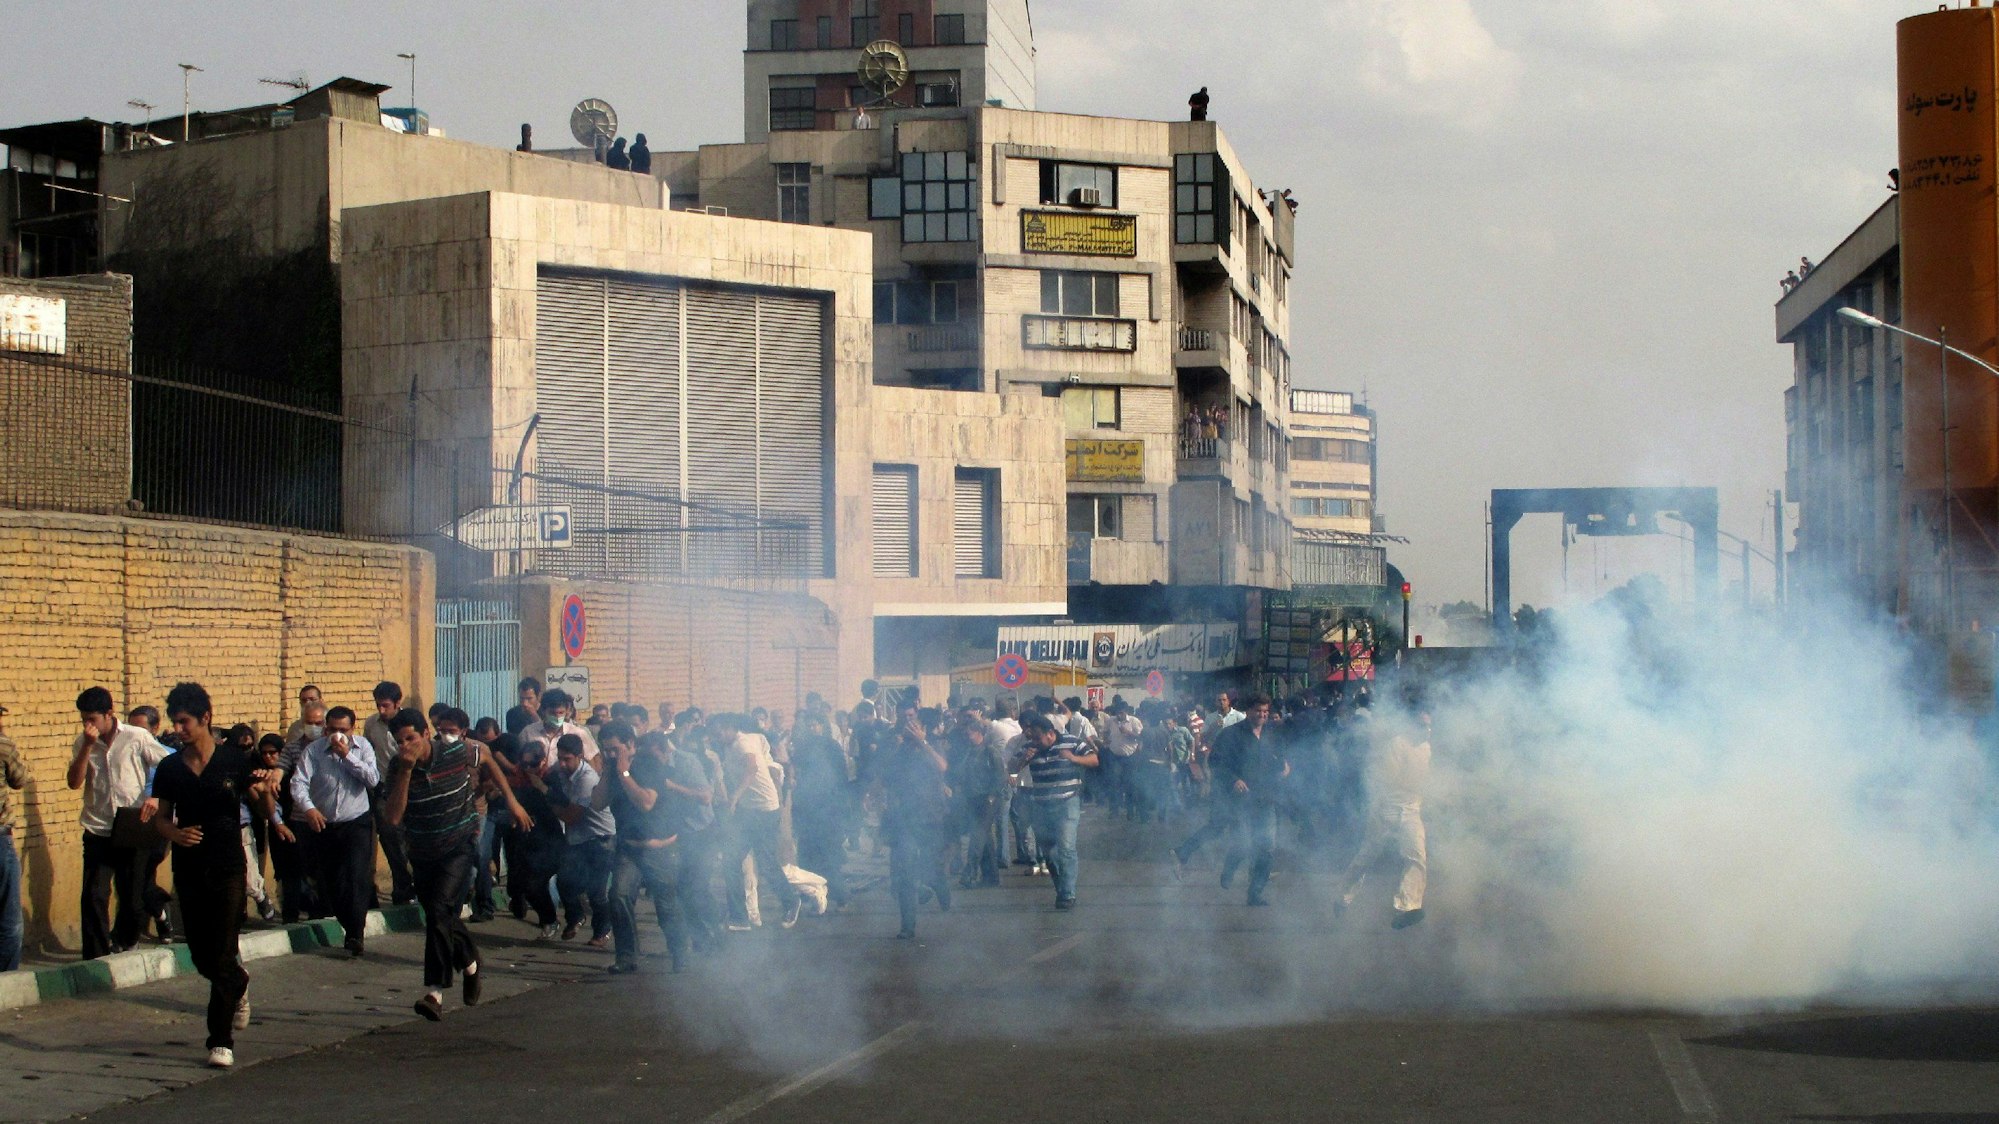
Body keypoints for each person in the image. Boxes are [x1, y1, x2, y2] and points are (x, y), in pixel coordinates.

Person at [150, 682, 281, 1069]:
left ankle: (220, 1040)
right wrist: (175, 833)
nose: (179, 729)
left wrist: (267, 786)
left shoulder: (234, 762)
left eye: (185, 721)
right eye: (175, 722)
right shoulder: (170, 767)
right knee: (200, 954)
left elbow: (261, 808)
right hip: (188, 869)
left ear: (205, 718)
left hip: (228, 866)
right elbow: (161, 818)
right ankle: (238, 983)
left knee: (224, 947)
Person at [383, 707, 530, 1021]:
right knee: (442, 916)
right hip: (422, 850)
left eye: (411, 738)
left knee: (439, 910)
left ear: (426, 734)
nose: (406, 745)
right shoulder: (398, 767)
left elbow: (488, 756)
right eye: (400, 741)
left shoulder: (457, 750)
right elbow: (394, 816)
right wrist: (407, 773)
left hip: (458, 844)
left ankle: (435, 992)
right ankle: (471, 964)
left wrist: (513, 802)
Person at [68, 687, 171, 958]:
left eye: (93, 719)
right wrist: (87, 747)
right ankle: (96, 956)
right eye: (84, 720)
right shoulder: (83, 743)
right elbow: (74, 782)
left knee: (132, 898)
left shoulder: (136, 737)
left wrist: (157, 797)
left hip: (132, 824)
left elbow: (169, 766)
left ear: (109, 714)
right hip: (97, 826)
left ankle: (124, 940)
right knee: (94, 895)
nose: (88, 725)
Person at [599, 725, 707, 973]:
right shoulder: (613, 771)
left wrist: (624, 774)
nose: (612, 755)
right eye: (607, 751)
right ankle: (627, 957)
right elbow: (597, 803)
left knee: (666, 905)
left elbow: (646, 802)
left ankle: (680, 952)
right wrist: (608, 773)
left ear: (631, 745)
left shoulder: (651, 767)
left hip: (662, 851)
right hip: (630, 850)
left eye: (615, 749)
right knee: (618, 896)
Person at [290, 706, 380, 955]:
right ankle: (347, 923)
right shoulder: (314, 751)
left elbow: (372, 779)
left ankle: (355, 933)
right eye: (333, 730)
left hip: (356, 821)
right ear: (325, 729)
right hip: (325, 823)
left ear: (352, 729)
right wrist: (308, 809)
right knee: (332, 882)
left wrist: (347, 756)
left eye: (343, 730)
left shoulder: (362, 748)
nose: (337, 735)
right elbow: (298, 783)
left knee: (356, 876)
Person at [1335, 700, 1430, 929]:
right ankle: (1342, 896)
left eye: (1428, 726)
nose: (1426, 730)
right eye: (1422, 725)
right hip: (1387, 807)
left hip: (1412, 808)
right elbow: (1384, 779)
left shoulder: (1427, 746)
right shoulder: (1397, 745)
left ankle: (1407, 907)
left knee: (1416, 856)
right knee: (1367, 856)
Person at [718, 714, 802, 930]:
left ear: (730, 728)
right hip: (749, 811)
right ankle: (739, 918)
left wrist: (736, 796)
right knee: (731, 860)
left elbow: (752, 768)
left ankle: (791, 901)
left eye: (719, 730)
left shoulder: (743, 743)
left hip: (764, 811)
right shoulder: (745, 740)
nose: (716, 735)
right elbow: (762, 743)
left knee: (765, 862)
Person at [1011, 712, 1097, 910]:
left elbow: (1094, 760)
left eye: (1038, 737)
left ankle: (1067, 894)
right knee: (1049, 853)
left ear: (1050, 733)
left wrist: (1073, 758)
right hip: (1041, 805)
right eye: (1032, 738)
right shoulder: (1030, 748)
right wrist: (1024, 759)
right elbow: (1011, 768)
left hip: (1067, 803)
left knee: (1066, 848)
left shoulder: (1071, 742)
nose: (1035, 741)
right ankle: (1062, 888)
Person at [1208, 694, 1287, 906]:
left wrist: (1284, 767)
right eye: (1258, 711)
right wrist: (1234, 780)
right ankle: (1230, 867)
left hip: (1266, 798)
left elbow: (1279, 757)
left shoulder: (1271, 733)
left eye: (1265, 712)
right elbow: (1215, 761)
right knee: (1243, 843)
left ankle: (1255, 893)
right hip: (1241, 800)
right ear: (1248, 711)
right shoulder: (1231, 734)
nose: (1262, 715)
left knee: (1266, 847)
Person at [881, 708, 953, 938]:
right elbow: (888, 779)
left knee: (931, 868)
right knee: (905, 873)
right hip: (905, 820)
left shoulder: (932, 746)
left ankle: (940, 888)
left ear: (923, 729)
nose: (911, 729)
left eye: (916, 726)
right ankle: (907, 926)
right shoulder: (900, 750)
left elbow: (942, 766)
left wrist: (923, 743)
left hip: (931, 817)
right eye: (908, 725)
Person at [551, 733, 615, 945]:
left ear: (579, 757)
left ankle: (601, 932)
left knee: (597, 891)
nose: (562, 763)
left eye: (567, 759)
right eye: (560, 758)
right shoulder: (561, 771)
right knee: (565, 881)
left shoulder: (586, 778)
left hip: (600, 838)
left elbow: (571, 816)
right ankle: (575, 917)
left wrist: (549, 802)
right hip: (579, 838)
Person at [788, 711, 850, 909]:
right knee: (806, 854)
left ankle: (839, 894)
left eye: (816, 724)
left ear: (822, 726)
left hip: (829, 808)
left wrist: (841, 802)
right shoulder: (802, 747)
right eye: (810, 724)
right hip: (807, 808)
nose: (813, 728)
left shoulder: (832, 746)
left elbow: (842, 774)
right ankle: (810, 895)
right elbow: (796, 772)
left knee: (829, 854)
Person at [364, 682, 416, 906]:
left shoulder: (410, 724)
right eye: (378, 706)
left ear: (398, 703)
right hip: (384, 790)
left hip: (411, 788)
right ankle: (402, 888)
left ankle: (417, 884)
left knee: (411, 841)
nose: (382, 711)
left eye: (386, 706)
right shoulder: (371, 725)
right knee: (390, 840)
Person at [0, 705, 24, 971]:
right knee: (9, 918)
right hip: (0, 838)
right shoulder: (3, 745)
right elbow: (19, 780)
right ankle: (6, 978)